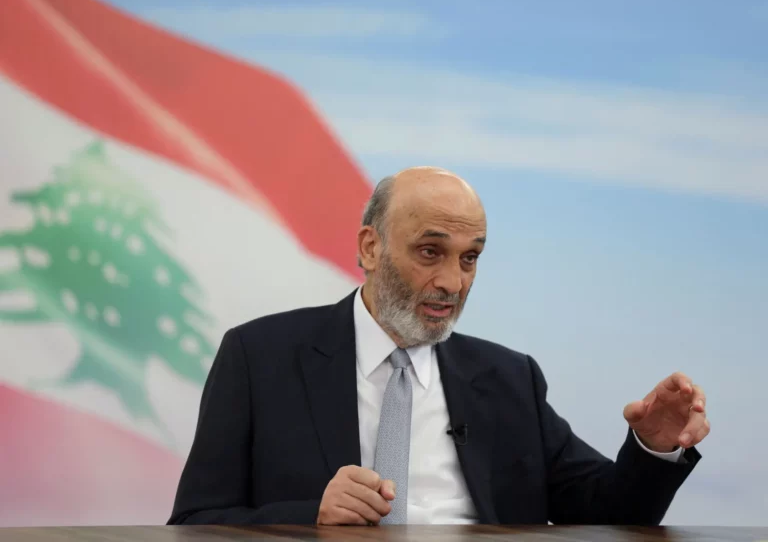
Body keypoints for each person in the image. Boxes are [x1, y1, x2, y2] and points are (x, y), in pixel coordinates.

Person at [168, 167, 709, 526]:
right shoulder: (259, 358)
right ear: (370, 247)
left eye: (470, 258)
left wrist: (653, 447)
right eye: (430, 252)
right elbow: (194, 524)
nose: (453, 282)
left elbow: (610, 514)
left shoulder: (509, 379)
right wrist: (311, 516)